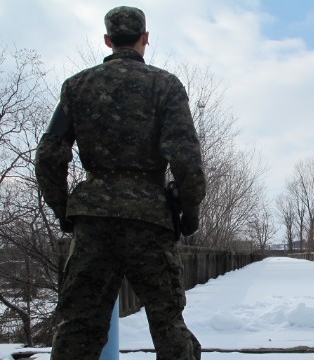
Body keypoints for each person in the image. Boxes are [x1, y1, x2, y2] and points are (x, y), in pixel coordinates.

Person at [35, 6, 206, 360]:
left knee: (79, 326)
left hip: (93, 221)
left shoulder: (77, 86)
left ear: (108, 40)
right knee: (167, 322)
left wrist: (64, 209)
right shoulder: (165, 85)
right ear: (145, 38)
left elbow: (50, 156)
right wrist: (190, 213)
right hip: (149, 218)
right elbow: (185, 158)